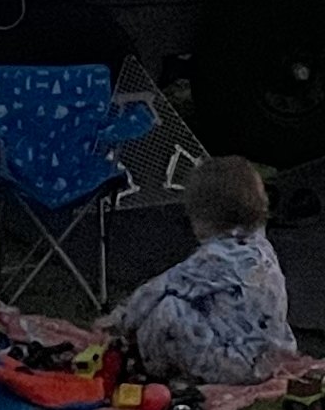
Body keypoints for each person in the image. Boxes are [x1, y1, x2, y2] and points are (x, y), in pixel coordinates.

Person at [101, 155, 299, 388]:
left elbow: (159, 289)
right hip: (269, 356)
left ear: (206, 217)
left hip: (239, 366)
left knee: (168, 309)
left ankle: (149, 366)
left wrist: (119, 321)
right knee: (194, 302)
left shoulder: (215, 258)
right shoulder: (259, 244)